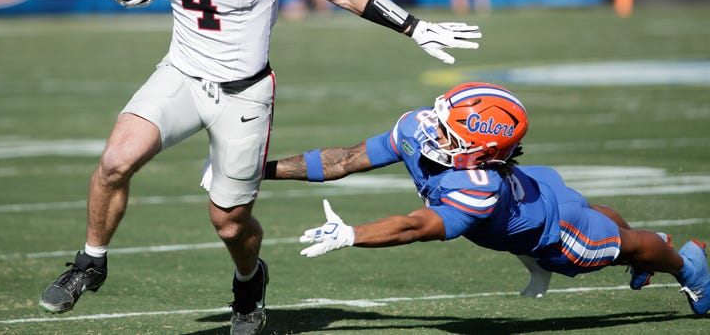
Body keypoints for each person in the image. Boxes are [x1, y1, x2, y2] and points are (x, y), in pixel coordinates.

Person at [37, 0, 483, 335]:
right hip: (181, 72)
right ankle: (90, 262)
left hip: (244, 92)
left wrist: (413, 27)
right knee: (115, 161)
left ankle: (249, 279)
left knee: (228, 222)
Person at [263, 81, 710, 316]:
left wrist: (351, 234)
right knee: (597, 215)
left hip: (552, 232)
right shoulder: (419, 128)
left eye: (448, 132)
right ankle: (645, 248)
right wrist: (260, 170)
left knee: (623, 246)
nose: (433, 132)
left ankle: (686, 262)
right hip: (535, 186)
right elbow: (346, 158)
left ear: (484, 149)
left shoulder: (478, 187)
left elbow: (417, 226)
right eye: (440, 121)